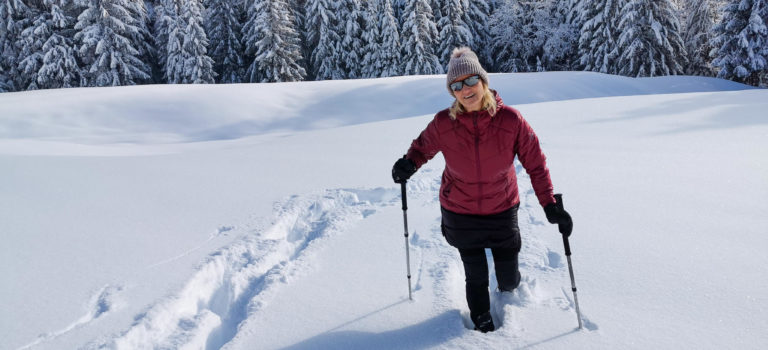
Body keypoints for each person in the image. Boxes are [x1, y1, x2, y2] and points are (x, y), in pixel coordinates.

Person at [391, 47, 573, 333]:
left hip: (501, 207)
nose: (465, 90)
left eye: (470, 80)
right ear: (452, 92)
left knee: (509, 277)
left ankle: (508, 288)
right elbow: (421, 148)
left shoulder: (511, 121)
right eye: (456, 85)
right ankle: (481, 320)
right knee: (474, 274)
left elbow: (536, 164)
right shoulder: (443, 123)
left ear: (483, 81)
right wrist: (408, 164)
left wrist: (550, 205)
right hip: (460, 211)